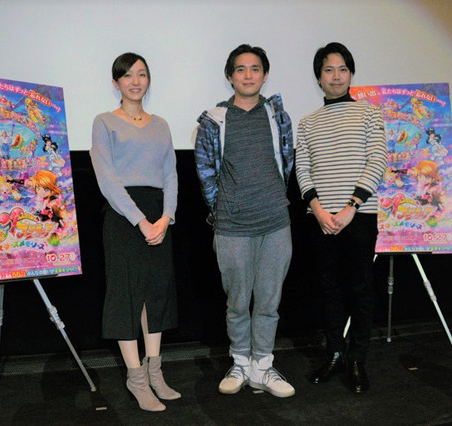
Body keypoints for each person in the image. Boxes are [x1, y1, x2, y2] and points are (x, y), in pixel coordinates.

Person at [194, 44, 295, 398]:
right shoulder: (213, 120)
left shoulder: (278, 116)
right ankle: (239, 362)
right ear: (230, 76)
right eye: (240, 69)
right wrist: (222, 211)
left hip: (275, 222)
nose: (248, 75)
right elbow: (205, 173)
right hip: (232, 226)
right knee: (237, 302)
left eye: (255, 69)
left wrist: (274, 199)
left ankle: (262, 368)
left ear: (265, 75)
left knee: (268, 301)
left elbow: (286, 163)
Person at [90, 52, 180, 412]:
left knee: (156, 294)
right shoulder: (104, 122)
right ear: (116, 83)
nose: (135, 81)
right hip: (123, 217)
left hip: (158, 215)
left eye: (141, 74)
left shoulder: (161, 124)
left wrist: (166, 217)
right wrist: (140, 220)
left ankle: (155, 372)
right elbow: (107, 179)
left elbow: (171, 173)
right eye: (127, 75)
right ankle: (136, 379)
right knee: (126, 295)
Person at [295, 42, 387, 394]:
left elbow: (377, 160)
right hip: (320, 219)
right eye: (329, 70)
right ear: (318, 77)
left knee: (361, 289)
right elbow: (302, 169)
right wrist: (319, 210)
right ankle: (334, 353)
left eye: (343, 69)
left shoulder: (369, 114)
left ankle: (357, 359)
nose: (336, 76)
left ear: (351, 74)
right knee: (328, 288)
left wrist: (351, 207)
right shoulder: (307, 122)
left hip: (358, 217)